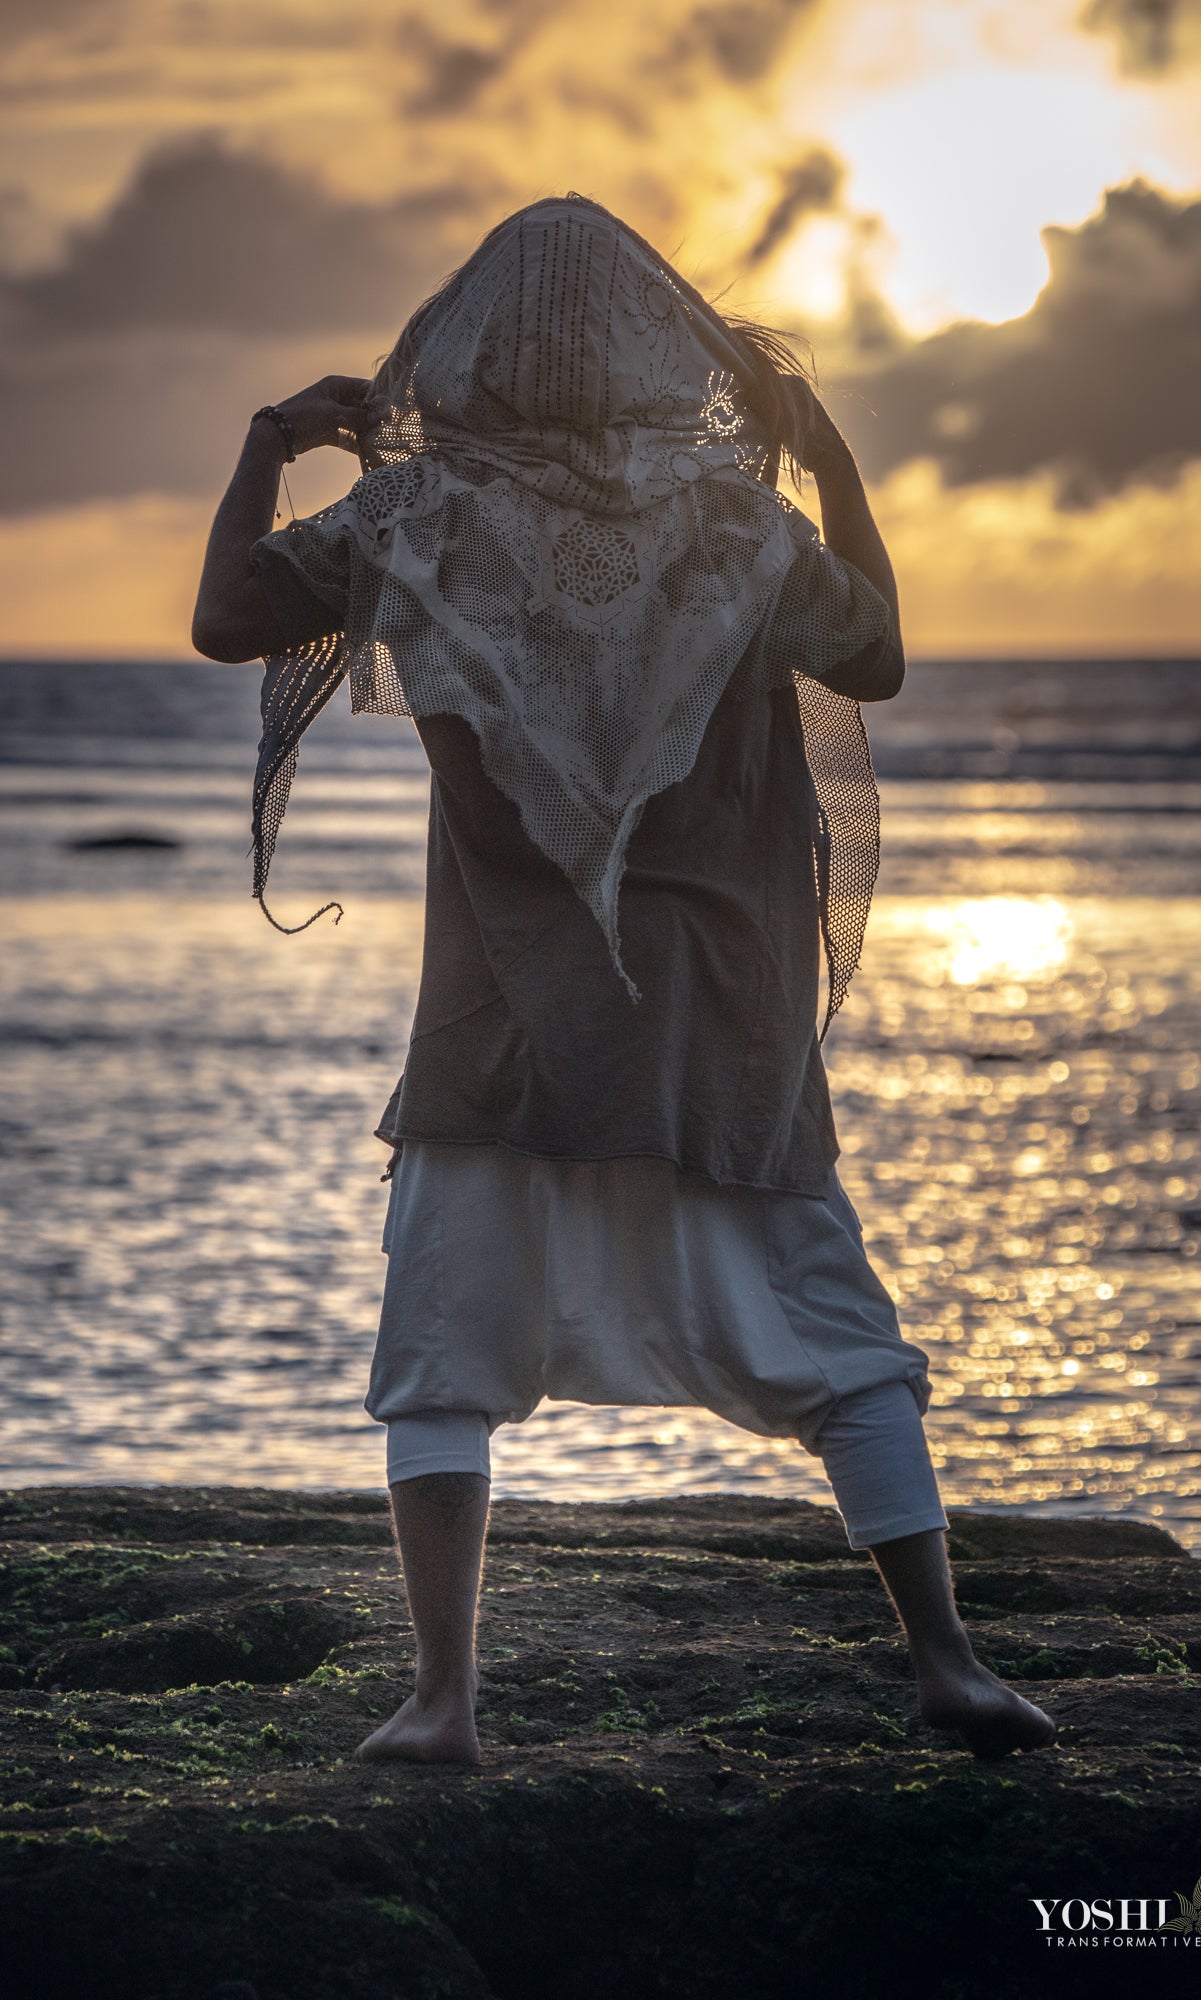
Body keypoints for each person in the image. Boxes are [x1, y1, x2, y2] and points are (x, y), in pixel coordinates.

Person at [192, 194, 1056, 1766]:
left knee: (443, 1352)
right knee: (837, 1340)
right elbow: (874, 661)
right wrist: (832, 464)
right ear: (670, 361)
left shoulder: (417, 520)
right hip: (717, 1019)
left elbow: (224, 616)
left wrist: (268, 438)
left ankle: (445, 1701)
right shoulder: (737, 530)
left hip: (505, 1014)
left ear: (472, 358)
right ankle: (945, 1667)